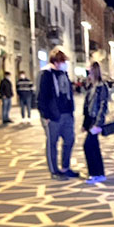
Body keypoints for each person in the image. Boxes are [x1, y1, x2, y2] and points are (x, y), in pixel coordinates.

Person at [37, 47, 79, 181]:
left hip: (67, 114)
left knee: (69, 140)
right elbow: (41, 96)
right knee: (52, 143)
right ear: (55, 61)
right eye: (62, 61)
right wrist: (45, 115)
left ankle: (65, 168)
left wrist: (71, 111)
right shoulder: (46, 74)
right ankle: (54, 171)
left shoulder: (63, 73)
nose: (64, 63)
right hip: (53, 116)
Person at [82, 62, 109, 184]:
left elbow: (103, 106)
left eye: (90, 72)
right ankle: (98, 173)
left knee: (88, 146)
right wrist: (85, 124)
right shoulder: (91, 87)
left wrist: (98, 124)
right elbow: (87, 107)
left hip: (96, 121)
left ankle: (95, 173)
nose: (88, 74)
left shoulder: (101, 87)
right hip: (91, 121)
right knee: (94, 147)